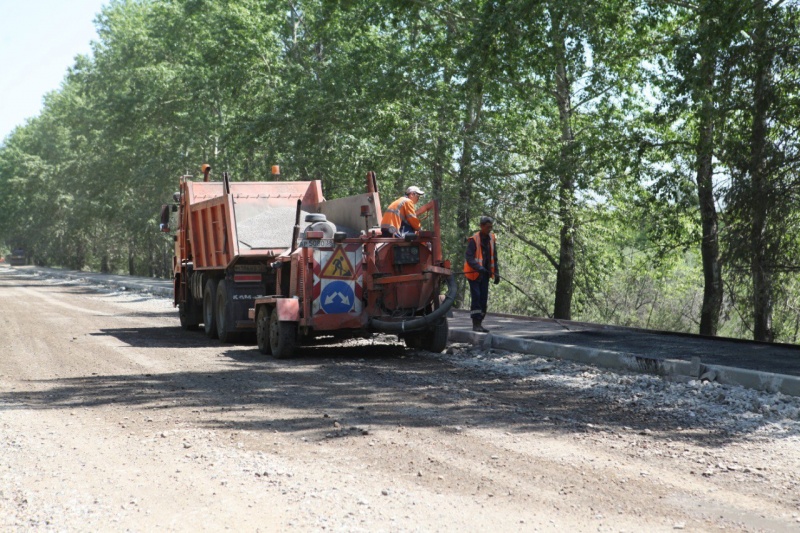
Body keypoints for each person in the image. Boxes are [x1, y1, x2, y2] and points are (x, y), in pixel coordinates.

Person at [463, 216, 500, 332]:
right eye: (488, 227)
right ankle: (476, 324)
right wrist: (479, 267)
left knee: (483, 298)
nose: (490, 229)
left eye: (491, 227)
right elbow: (469, 257)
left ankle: (480, 323)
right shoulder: (474, 240)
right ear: (481, 226)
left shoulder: (492, 239)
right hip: (473, 274)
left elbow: (494, 257)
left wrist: (496, 273)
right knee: (477, 297)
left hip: (485, 275)